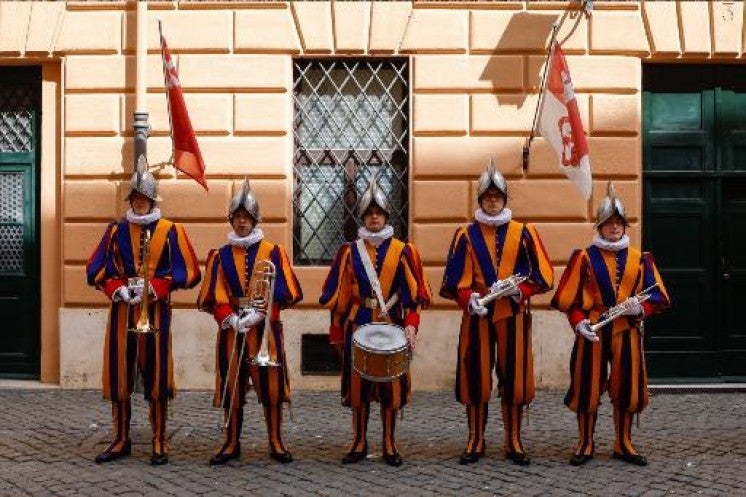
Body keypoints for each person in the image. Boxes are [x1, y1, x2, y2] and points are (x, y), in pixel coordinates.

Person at [86, 156, 201, 465]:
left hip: (157, 313)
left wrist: (156, 287)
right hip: (123, 311)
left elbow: (189, 271)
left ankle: (159, 440)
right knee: (120, 373)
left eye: (144, 198)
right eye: (135, 198)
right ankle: (121, 438)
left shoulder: (171, 230)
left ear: (153, 200)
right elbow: (95, 269)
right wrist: (115, 289)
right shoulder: (115, 230)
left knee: (157, 375)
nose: (139, 202)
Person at [440, 158, 554, 466]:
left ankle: (513, 440)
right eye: (488, 197)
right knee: (475, 378)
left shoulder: (525, 232)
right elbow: (454, 280)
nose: (493, 201)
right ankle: (475, 439)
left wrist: (521, 290)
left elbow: (543, 276)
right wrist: (469, 299)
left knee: (514, 379)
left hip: (513, 315)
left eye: (497, 196)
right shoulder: (465, 234)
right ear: (480, 200)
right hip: (477, 317)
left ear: (504, 199)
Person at [551, 182, 670, 467]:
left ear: (624, 226)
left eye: (618, 223)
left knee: (628, 387)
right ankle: (585, 442)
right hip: (592, 330)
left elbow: (659, 295)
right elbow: (568, 299)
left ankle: (623, 442)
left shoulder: (641, 259)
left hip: (626, 330)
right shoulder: (583, 258)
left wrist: (640, 308)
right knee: (586, 385)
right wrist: (578, 323)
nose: (614, 228)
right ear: (599, 227)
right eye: (608, 223)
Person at [319, 180, 431, 467]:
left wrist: (411, 325)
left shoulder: (404, 251)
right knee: (359, 387)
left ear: (387, 216)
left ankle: (389, 443)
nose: (374, 217)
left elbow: (413, 295)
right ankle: (358, 442)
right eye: (369, 212)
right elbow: (339, 295)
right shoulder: (349, 251)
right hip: (358, 324)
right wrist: (336, 332)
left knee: (391, 388)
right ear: (363, 217)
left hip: (392, 326)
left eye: (379, 212)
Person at [197, 179, 302, 465]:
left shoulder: (273, 252)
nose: (242, 222)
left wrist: (261, 313)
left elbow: (287, 291)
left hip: (264, 329)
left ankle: (276, 441)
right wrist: (228, 318)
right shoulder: (220, 255)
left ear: (254, 220)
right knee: (232, 386)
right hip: (233, 329)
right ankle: (231, 442)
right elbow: (213, 295)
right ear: (231, 219)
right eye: (237, 217)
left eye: (246, 217)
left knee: (271, 388)